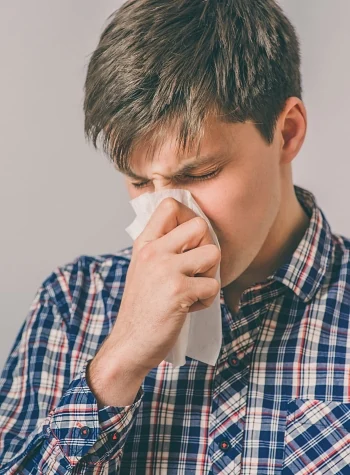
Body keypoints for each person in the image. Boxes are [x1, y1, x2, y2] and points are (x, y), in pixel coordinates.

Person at [1, 0, 350, 473]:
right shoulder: (71, 304)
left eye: (200, 173)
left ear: (286, 133)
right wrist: (115, 367)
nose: (167, 213)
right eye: (140, 182)